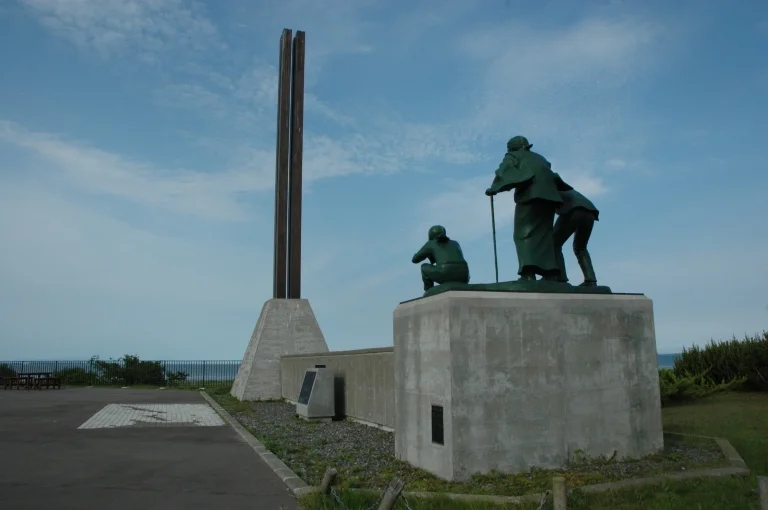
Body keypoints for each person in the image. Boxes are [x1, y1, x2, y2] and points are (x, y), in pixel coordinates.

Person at [485, 136, 572, 281]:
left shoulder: (512, 156)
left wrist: (494, 188)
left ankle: (528, 272)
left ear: (512, 147)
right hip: (550, 198)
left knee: (523, 234)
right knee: (545, 235)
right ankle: (550, 272)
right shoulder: (540, 158)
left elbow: (504, 172)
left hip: (531, 196)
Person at [553, 188, 600, 286]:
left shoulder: (548, 188)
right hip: (590, 211)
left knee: (553, 244)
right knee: (580, 248)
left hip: (573, 209)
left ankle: (560, 278)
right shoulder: (564, 188)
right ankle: (591, 280)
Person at [412, 225, 470, 292]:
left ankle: (428, 290)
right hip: (464, 275)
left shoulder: (431, 243)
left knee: (424, 267)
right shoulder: (455, 243)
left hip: (445, 272)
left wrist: (427, 254)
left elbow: (415, 259)